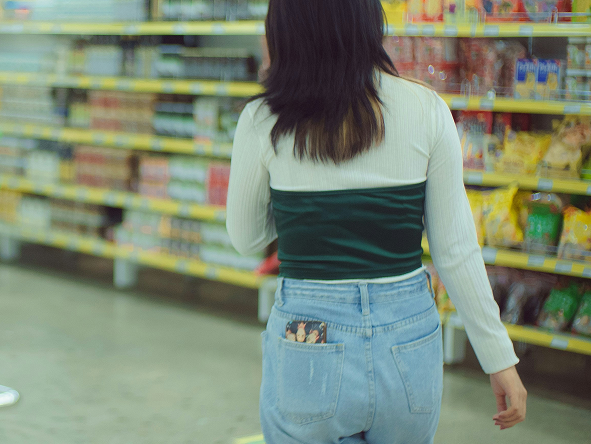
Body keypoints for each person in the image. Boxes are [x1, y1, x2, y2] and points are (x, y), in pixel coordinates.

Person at [225, 1, 527, 442]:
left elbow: (245, 236)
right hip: (409, 338)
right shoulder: (426, 108)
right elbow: (456, 250)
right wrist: (499, 359)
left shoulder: (264, 118)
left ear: (286, 30)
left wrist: (300, 209)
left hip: (308, 337)